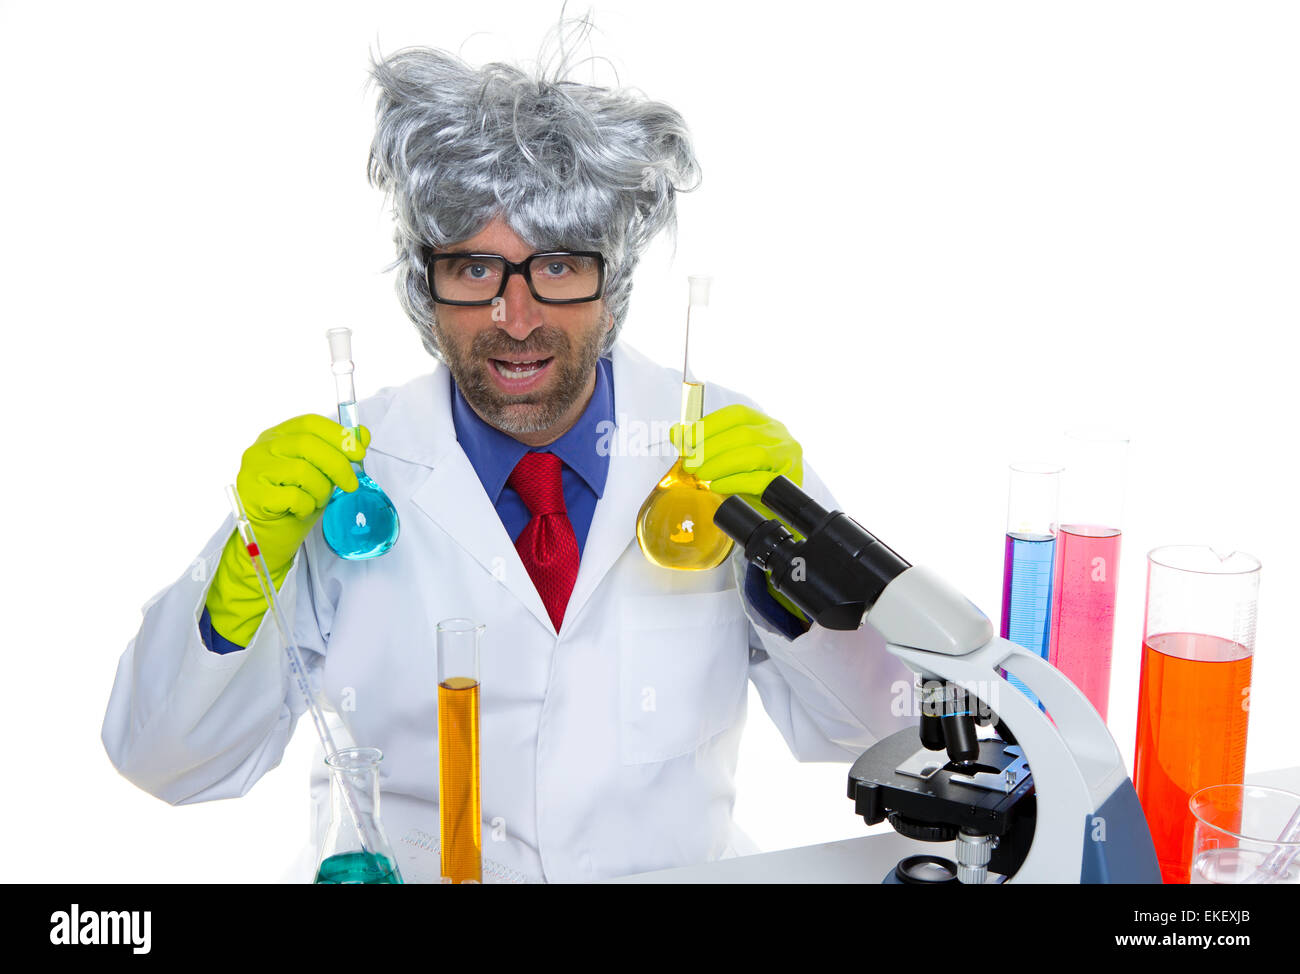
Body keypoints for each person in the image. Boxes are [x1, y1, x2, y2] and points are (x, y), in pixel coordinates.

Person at [102, 42, 912, 883]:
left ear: (615, 282)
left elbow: (879, 732)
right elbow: (162, 760)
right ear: (426, 288)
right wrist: (246, 564)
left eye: (558, 266)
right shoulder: (350, 481)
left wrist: (802, 570)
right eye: (474, 267)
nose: (515, 317)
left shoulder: (717, 459)